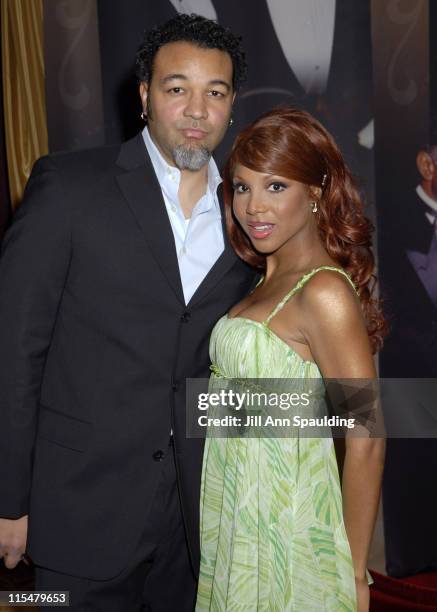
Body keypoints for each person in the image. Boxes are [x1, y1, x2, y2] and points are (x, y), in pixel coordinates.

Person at [0, 13, 257, 611]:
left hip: (198, 527)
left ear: (231, 103)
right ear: (144, 96)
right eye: (177, 89)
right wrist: (9, 500)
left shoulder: (248, 217)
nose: (197, 109)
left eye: (214, 92)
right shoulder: (68, 187)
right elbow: (14, 352)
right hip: (77, 512)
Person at [195, 107, 386, 611]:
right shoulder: (259, 280)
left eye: (275, 187)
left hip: (288, 530)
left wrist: (355, 574)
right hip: (237, 516)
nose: (254, 206)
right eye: (241, 187)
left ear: (316, 193)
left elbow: (366, 438)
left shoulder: (323, 291)